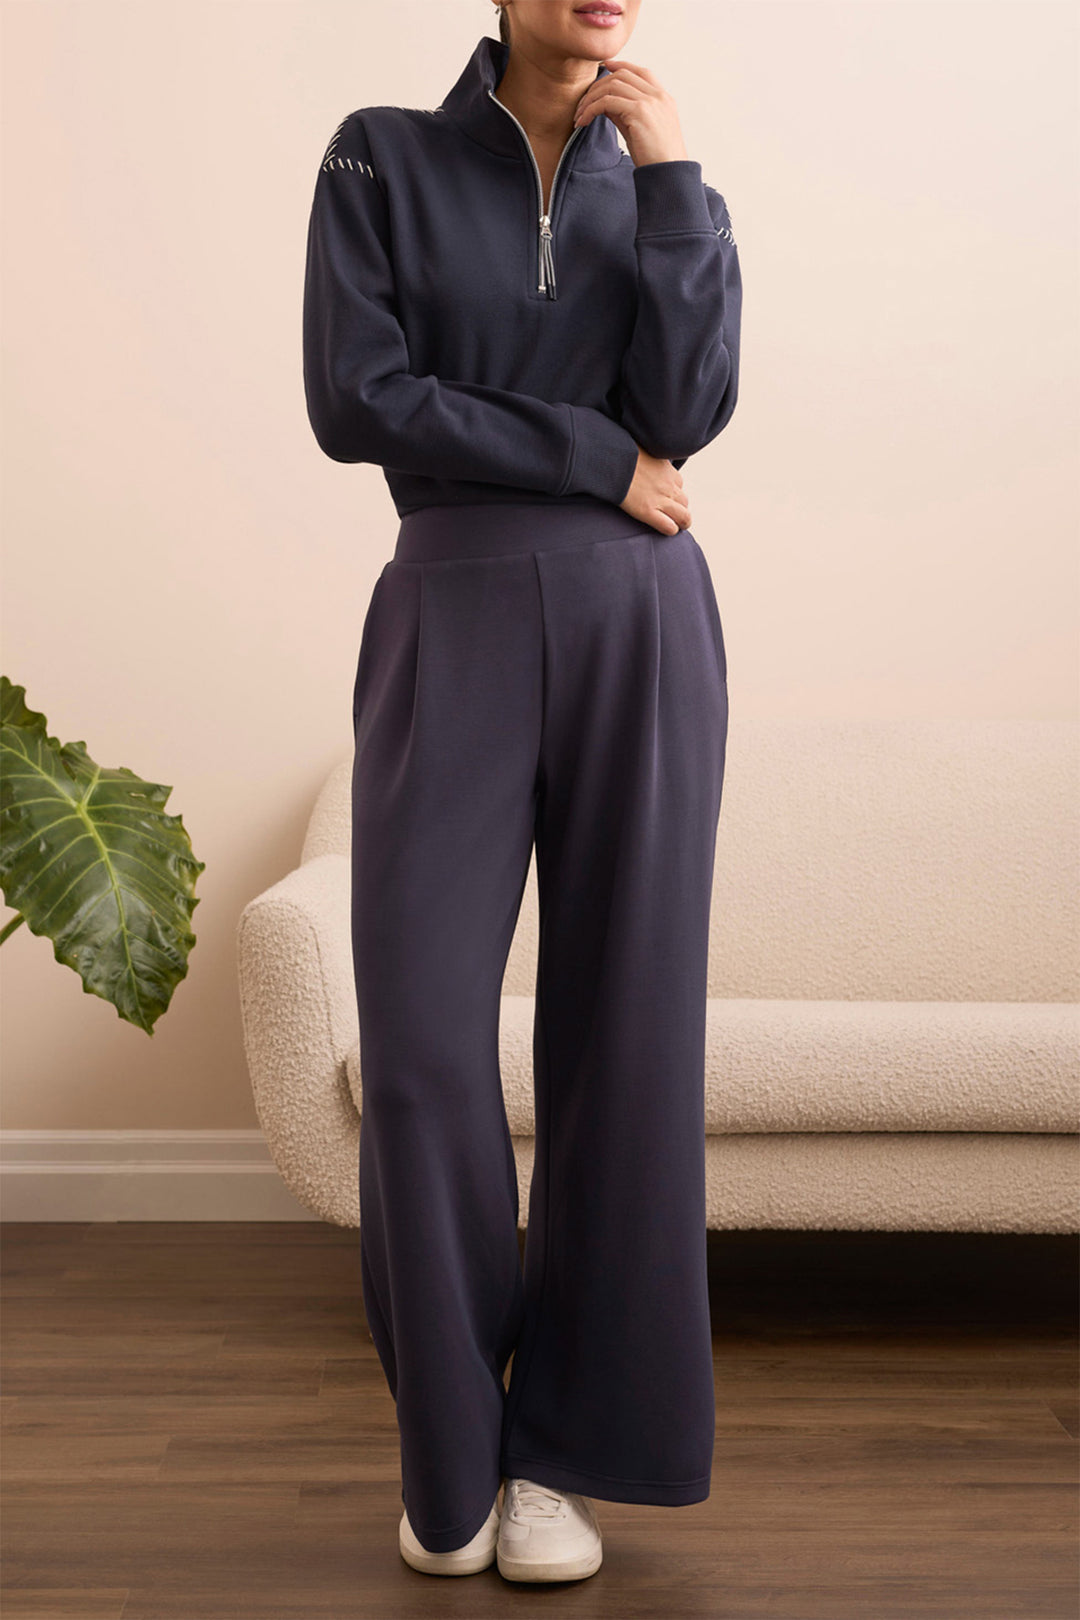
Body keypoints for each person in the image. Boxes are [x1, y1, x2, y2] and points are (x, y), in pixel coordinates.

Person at [302, 0, 741, 1585]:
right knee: (417, 1046)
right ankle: (453, 1455)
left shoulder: (658, 178)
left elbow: (686, 415)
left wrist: (677, 178)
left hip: (643, 623)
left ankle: (563, 1453)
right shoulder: (382, 156)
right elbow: (357, 397)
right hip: (455, 606)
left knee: (626, 1039)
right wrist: (585, 455)